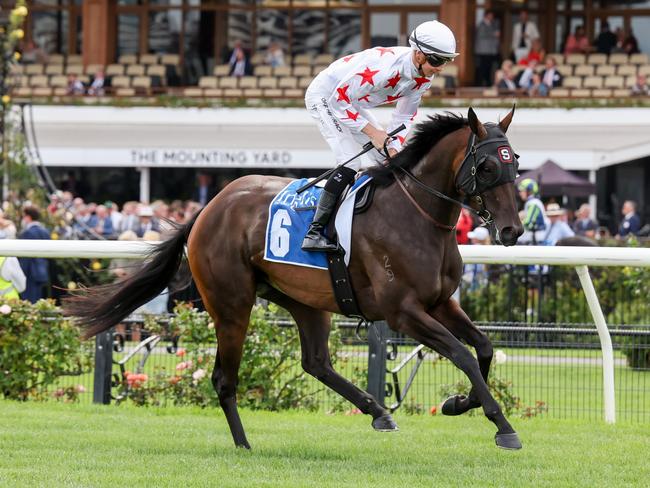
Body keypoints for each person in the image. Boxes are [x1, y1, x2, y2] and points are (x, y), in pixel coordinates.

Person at [302, 20, 459, 251]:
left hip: (350, 102)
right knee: (351, 160)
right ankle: (314, 232)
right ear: (418, 55)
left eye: (446, 61)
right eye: (437, 60)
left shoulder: (424, 76)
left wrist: (394, 148)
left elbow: (404, 117)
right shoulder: (386, 70)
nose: (440, 68)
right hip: (326, 97)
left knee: (391, 163)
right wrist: (374, 133)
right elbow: (338, 102)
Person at [18, 206, 51, 303]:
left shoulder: (28, 232)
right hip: (42, 271)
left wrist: (21, 272)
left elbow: (25, 257)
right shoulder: (45, 231)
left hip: (29, 272)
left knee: (30, 302)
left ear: (28, 217)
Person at [517, 178, 548, 245]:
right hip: (532, 241)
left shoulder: (533, 203)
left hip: (535, 242)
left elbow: (528, 224)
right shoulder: (531, 203)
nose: (520, 193)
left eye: (522, 191)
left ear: (529, 191)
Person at [475, 10, 501, 87]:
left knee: (489, 68)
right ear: (486, 15)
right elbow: (482, 35)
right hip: (483, 51)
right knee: (483, 68)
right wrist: (494, 34)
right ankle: (480, 83)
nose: (492, 17)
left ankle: (487, 82)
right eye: (490, 15)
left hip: (490, 51)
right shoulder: (481, 24)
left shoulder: (492, 24)